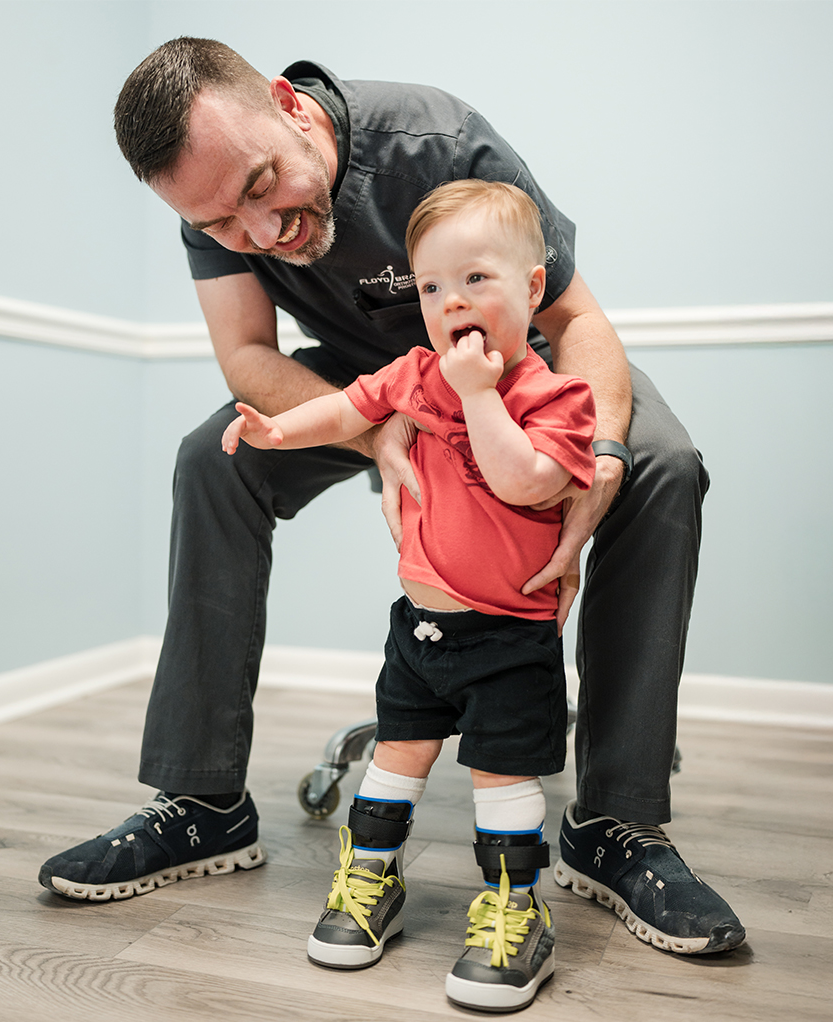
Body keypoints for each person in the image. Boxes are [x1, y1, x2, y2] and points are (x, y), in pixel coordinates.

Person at [39, 37, 745, 961]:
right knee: (212, 460)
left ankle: (615, 822)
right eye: (219, 223)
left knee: (661, 462)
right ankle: (203, 801)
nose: (256, 234)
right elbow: (250, 359)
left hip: (509, 371)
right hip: (375, 383)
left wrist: (601, 454)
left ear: (292, 108)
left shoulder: (437, 140)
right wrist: (381, 431)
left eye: (260, 188)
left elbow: (575, 320)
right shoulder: (212, 207)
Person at [222, 179, 596, 1011]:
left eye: (475, 279)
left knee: (502, 781)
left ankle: (512, 908)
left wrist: (476, 394)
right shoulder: (417, 373)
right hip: (420, 634)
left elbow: (527, 480)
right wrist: (280, 431)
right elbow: (349, 405)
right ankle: (371, 880)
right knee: (394, 765)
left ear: (532, 289)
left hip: (509, 638)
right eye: (430, 287)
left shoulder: (555, 396)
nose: (449, 301)